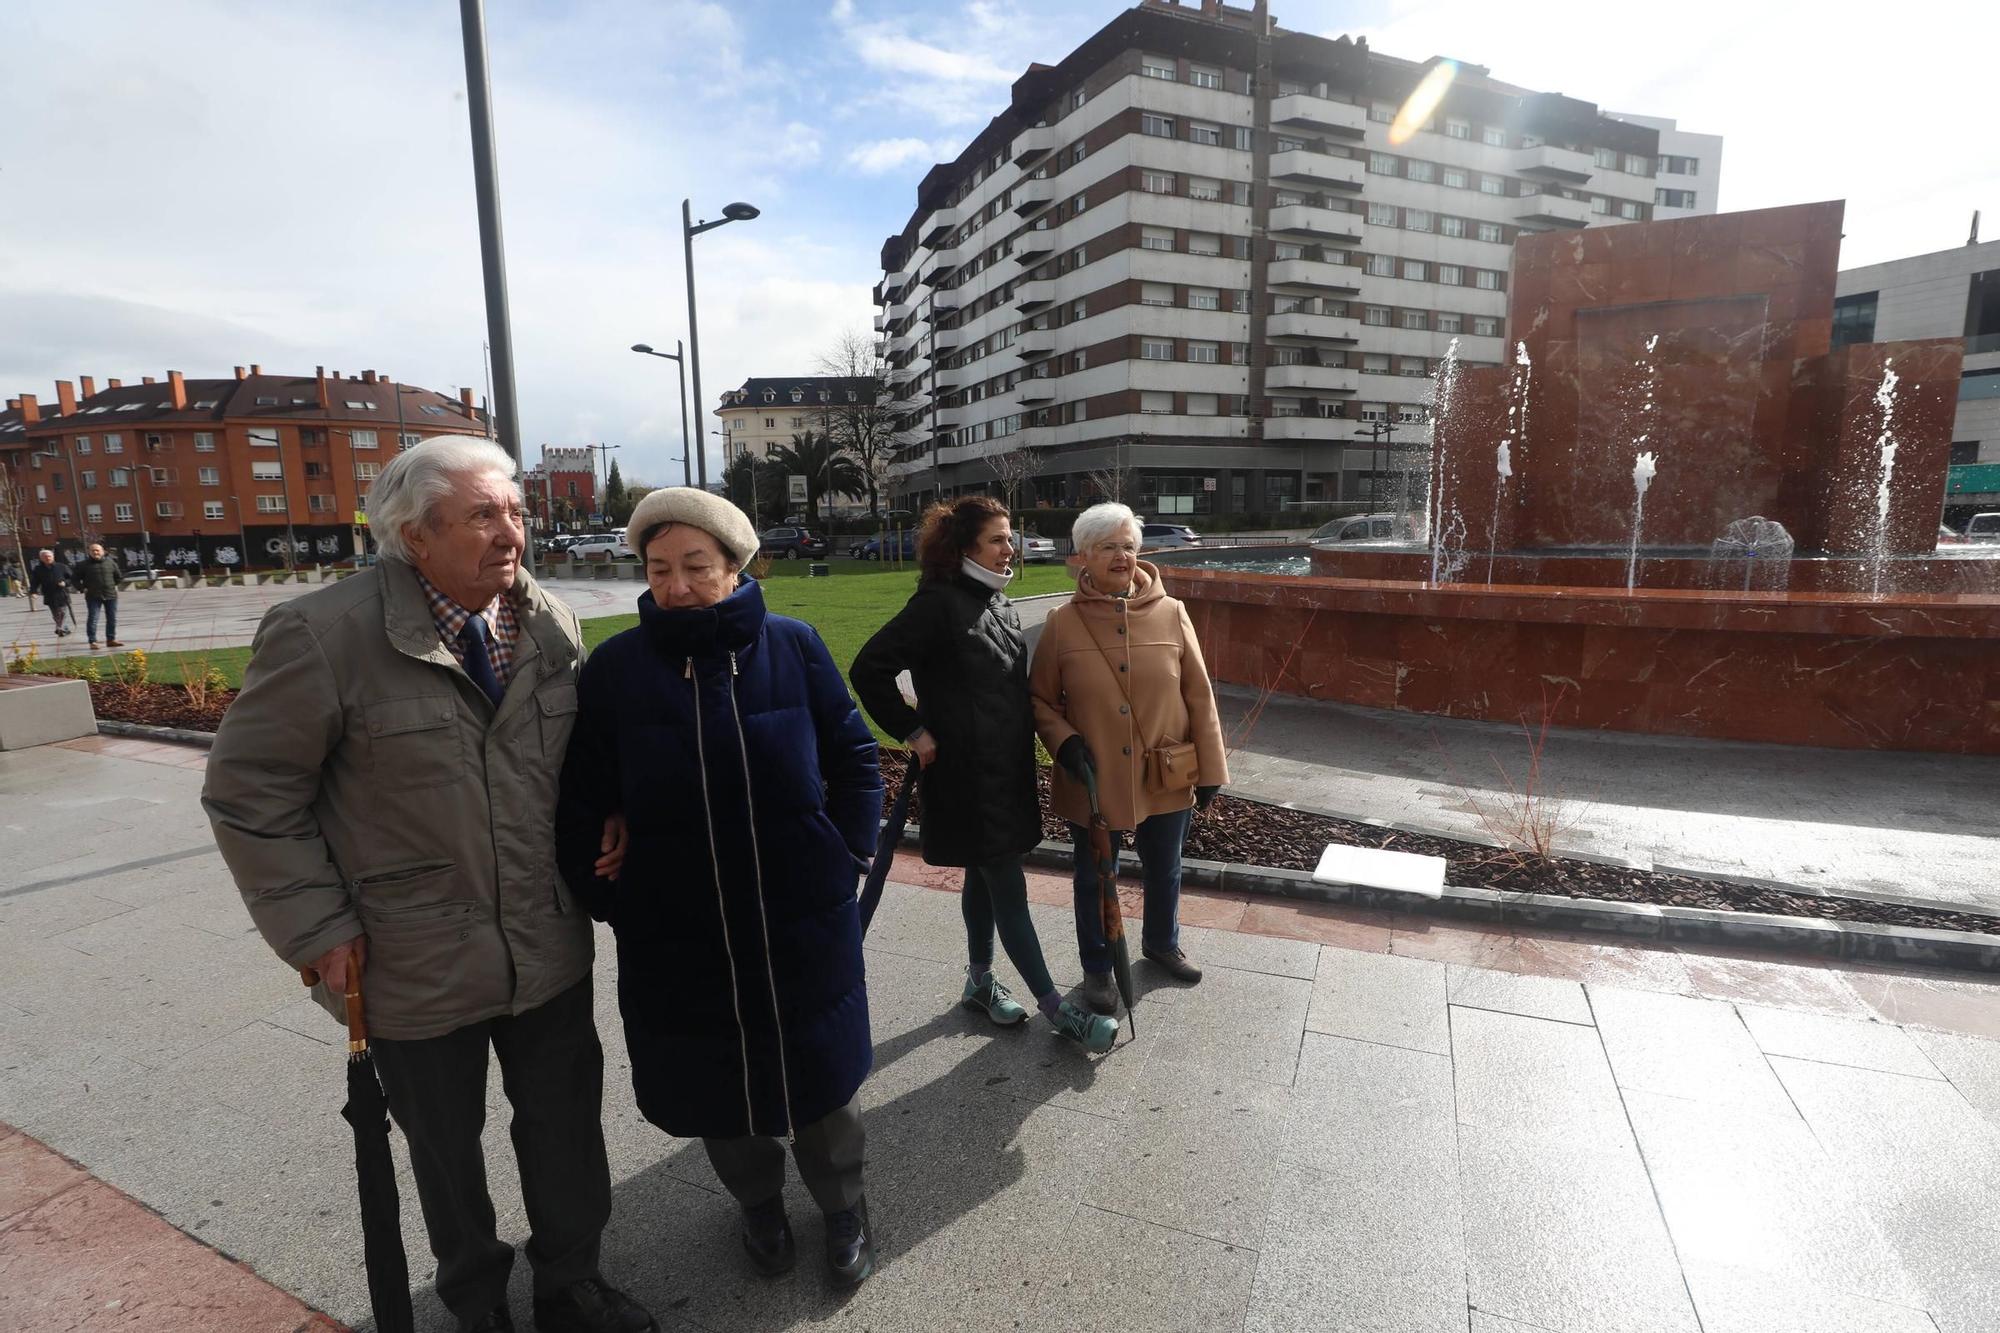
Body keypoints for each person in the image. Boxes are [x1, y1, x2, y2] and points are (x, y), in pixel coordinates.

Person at [202, 437, 654, 1333]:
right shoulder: (323, 634)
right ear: (414, 534)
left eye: (516, 512)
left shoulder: (550, 623)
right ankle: (475, 1298)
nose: (511, 533)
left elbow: (574, 761)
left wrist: (610, 810)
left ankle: (572, 1282)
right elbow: (248, 794)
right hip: (408, 954)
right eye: (484, 515)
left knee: (565, 1128)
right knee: (445, 1151)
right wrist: (315, 927)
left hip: (544, 936)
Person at [556, 488, 884, 1288]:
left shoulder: (794, 647)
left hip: (797, 917)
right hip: (679, 927)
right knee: (717, 1086)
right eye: (659, 568)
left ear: (736, 567)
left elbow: (855, 758)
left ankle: (845, 1205)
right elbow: (581, 796)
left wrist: (843, 852)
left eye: (696, 567)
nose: (675, 586)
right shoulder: (617, 670)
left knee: (819, 1081)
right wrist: (612, 893)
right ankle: (758, 1203)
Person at [852, 496, 1118, 1054]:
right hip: (967, 780)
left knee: (984, 873)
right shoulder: (936, 605)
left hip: (1006, 770)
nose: (1010, 547)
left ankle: (978, 981)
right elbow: (868, 668)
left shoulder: (994, 603)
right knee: (1006, 883)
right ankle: (1057, 1009)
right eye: (998, 539)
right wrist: (912, 730)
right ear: (963, 548)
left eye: (1010, 537)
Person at [1029, 502, 1229, 1013]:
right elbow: (1040, 701)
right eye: (1108, 547)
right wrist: (1064, 740)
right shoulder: (1061, 623)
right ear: (1083, 558)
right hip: (1093, 775)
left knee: (1165, 867)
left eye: (1129, 546)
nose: (1122, 556)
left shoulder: (1172, 612)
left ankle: (1161, 942)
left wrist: (1211, 769)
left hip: (1166, 770)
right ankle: (1097, 968)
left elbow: (1199, 695)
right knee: (1094, 876)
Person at [76, 542, 123, 649]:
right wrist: (82, 588)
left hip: (110, 595)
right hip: (93, 596)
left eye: (97, 550)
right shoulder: (83, 565)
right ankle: (92, 641)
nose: (95, 552)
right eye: (93, 550)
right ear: (89, 552)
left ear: (103, 552)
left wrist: (112, 585)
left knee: (112, 618)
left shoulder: (111, 563)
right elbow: (75, 579)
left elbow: (118, 577)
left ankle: (111, 639)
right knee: (93, 618)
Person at [26, 549, 75, 636]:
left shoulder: (62, 566)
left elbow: (72, 578)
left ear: (53, 557)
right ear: (41, 558)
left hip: (62, 594)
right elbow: (34, 582)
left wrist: (65, 583)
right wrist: (33, 592)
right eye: (45, 557)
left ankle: (59, 628)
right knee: (56, 613)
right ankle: (64, 629)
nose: (48, 558)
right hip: (49, 595)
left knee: (63, 612)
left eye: (49, 556)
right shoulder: (38, 569)